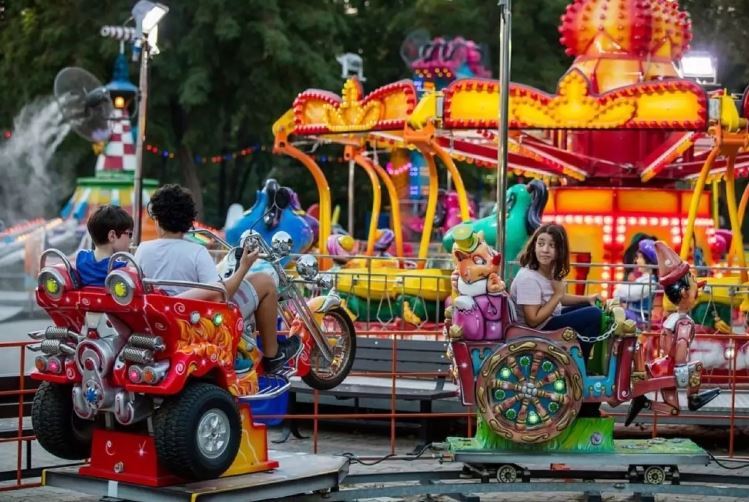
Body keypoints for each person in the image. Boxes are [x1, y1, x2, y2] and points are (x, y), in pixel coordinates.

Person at [134, 184, 301, 374]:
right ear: (189, 220)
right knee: (265, 281)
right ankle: (273, 354)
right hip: (197, 324)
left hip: (160, 322)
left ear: (156, 219)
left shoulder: (142, 250)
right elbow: (221, 294)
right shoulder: (197, 252)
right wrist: (244, 267)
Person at [510, 222, 603, 417]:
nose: (545, 250)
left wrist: (585, 299)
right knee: (593, 316)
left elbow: (558, 300)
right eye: (541, 243)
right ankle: (579, 366)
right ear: (533, 245)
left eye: (551, 245)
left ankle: (579, 363)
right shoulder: (529, 277)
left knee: (588, 308)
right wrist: (557, 295)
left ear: (560, 250)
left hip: (545, 324)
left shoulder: (545, 273)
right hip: (535, 333)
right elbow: (533, 319)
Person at [76, 205, 134, 287]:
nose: (131, 240)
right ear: (112, 236)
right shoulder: (123, 269)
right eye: (129, 234)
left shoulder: (81, 257)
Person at [612, 238, 657, 324]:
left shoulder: (650, 282)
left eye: (640, 257)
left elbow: (632, 294)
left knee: (614, 314)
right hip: (633, 314)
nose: (637, 261)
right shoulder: (643, 279)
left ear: (649, 262)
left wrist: (619, 288)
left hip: (639, 317)